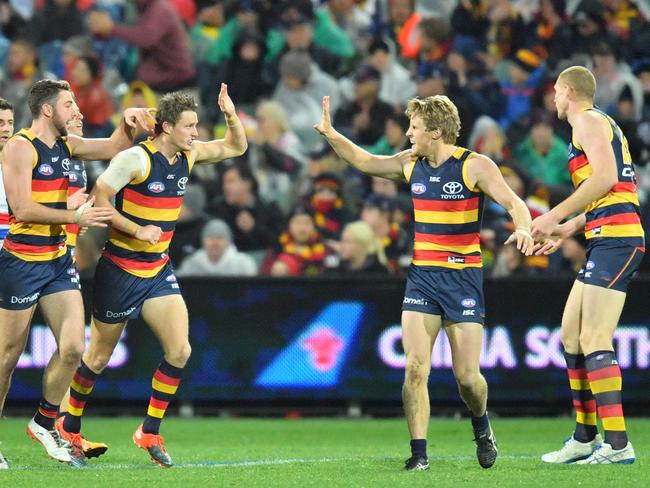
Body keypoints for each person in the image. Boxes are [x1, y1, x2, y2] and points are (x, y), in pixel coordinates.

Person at [314, 93, 534, 471]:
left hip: (463, 279)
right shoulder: (409, 164)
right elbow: (366, 161)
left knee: (468, 379)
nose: (408, 134)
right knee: (416, 368)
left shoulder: (475, 166)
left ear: (435, 131)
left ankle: (481, 425)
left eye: (414, 128)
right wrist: (332, 134)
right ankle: (419, 454)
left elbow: (514, 203)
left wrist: (526, 228)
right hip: (423, 279)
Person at [56, 84, 247, 467]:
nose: (196, 133)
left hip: (157, 269)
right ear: (166, 127)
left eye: (196, 126)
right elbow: (100, 198)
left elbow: (235, 147)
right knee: (98, 356)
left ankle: (149, 431)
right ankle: (68, 424)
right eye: (189, 126)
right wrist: (136, 228)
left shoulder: (188, 157)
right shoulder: (135, 160)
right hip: (120, 269)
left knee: (180, 350)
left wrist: (229, 113)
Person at [0, 79, 152, 469]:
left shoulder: (67, 145)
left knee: (71, 349)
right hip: (21, 261)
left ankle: (44, 421)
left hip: (57, 261)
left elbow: (115, 147)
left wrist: (127, 123)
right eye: (70, 105)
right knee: (6, 357)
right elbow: (21, 208)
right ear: (48, 110)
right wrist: (76, 216)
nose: (77, 112)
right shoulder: (19, 147)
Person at [533, 66, 644, 465]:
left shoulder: (585, 120)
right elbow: (607, 190)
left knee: (595, 337)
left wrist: (549, 216)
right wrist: (566, 229)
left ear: (566, 90)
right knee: (570, 336)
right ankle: (584, 437)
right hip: (604, 236)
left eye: (556, 92)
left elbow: (605, 178)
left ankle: (617, 446)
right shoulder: (597, 124)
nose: (554, 100)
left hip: (618, 239)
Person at [0, 98, 14, 250]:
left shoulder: (25, 166)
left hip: (15, 255)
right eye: (0, 123)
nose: (6, 129)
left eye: (10, 123)